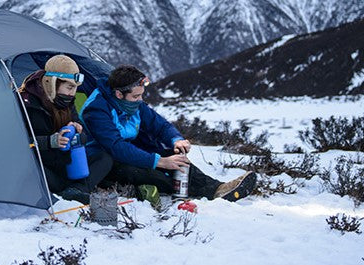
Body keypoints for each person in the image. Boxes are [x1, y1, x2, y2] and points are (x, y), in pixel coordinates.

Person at [81, 64, 256, 205]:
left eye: (141, 95)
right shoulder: (96, 108)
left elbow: (159, 125)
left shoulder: (132, 104)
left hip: (128, 153)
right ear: (119, 94)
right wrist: (161, 162)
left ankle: (217, 188)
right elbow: (116, 147)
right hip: (101, 161)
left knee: (175, 159)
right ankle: (184, 191)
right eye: (136, 96)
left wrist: (176, 140)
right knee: (156, 174)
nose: (140, 100)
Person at [19, 54, 113, 204]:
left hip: (66, 162)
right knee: (34, 172)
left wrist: (78, 132)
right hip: (43, 166)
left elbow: (83, 137)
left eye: (75, 88)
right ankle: (77, 189)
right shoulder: (26, 104)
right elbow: (18, 145)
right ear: (52, 83)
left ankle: (75, 190)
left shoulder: (67, 101)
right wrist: (50, 141)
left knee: (104, 158)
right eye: (69, 87)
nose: (72, 93)